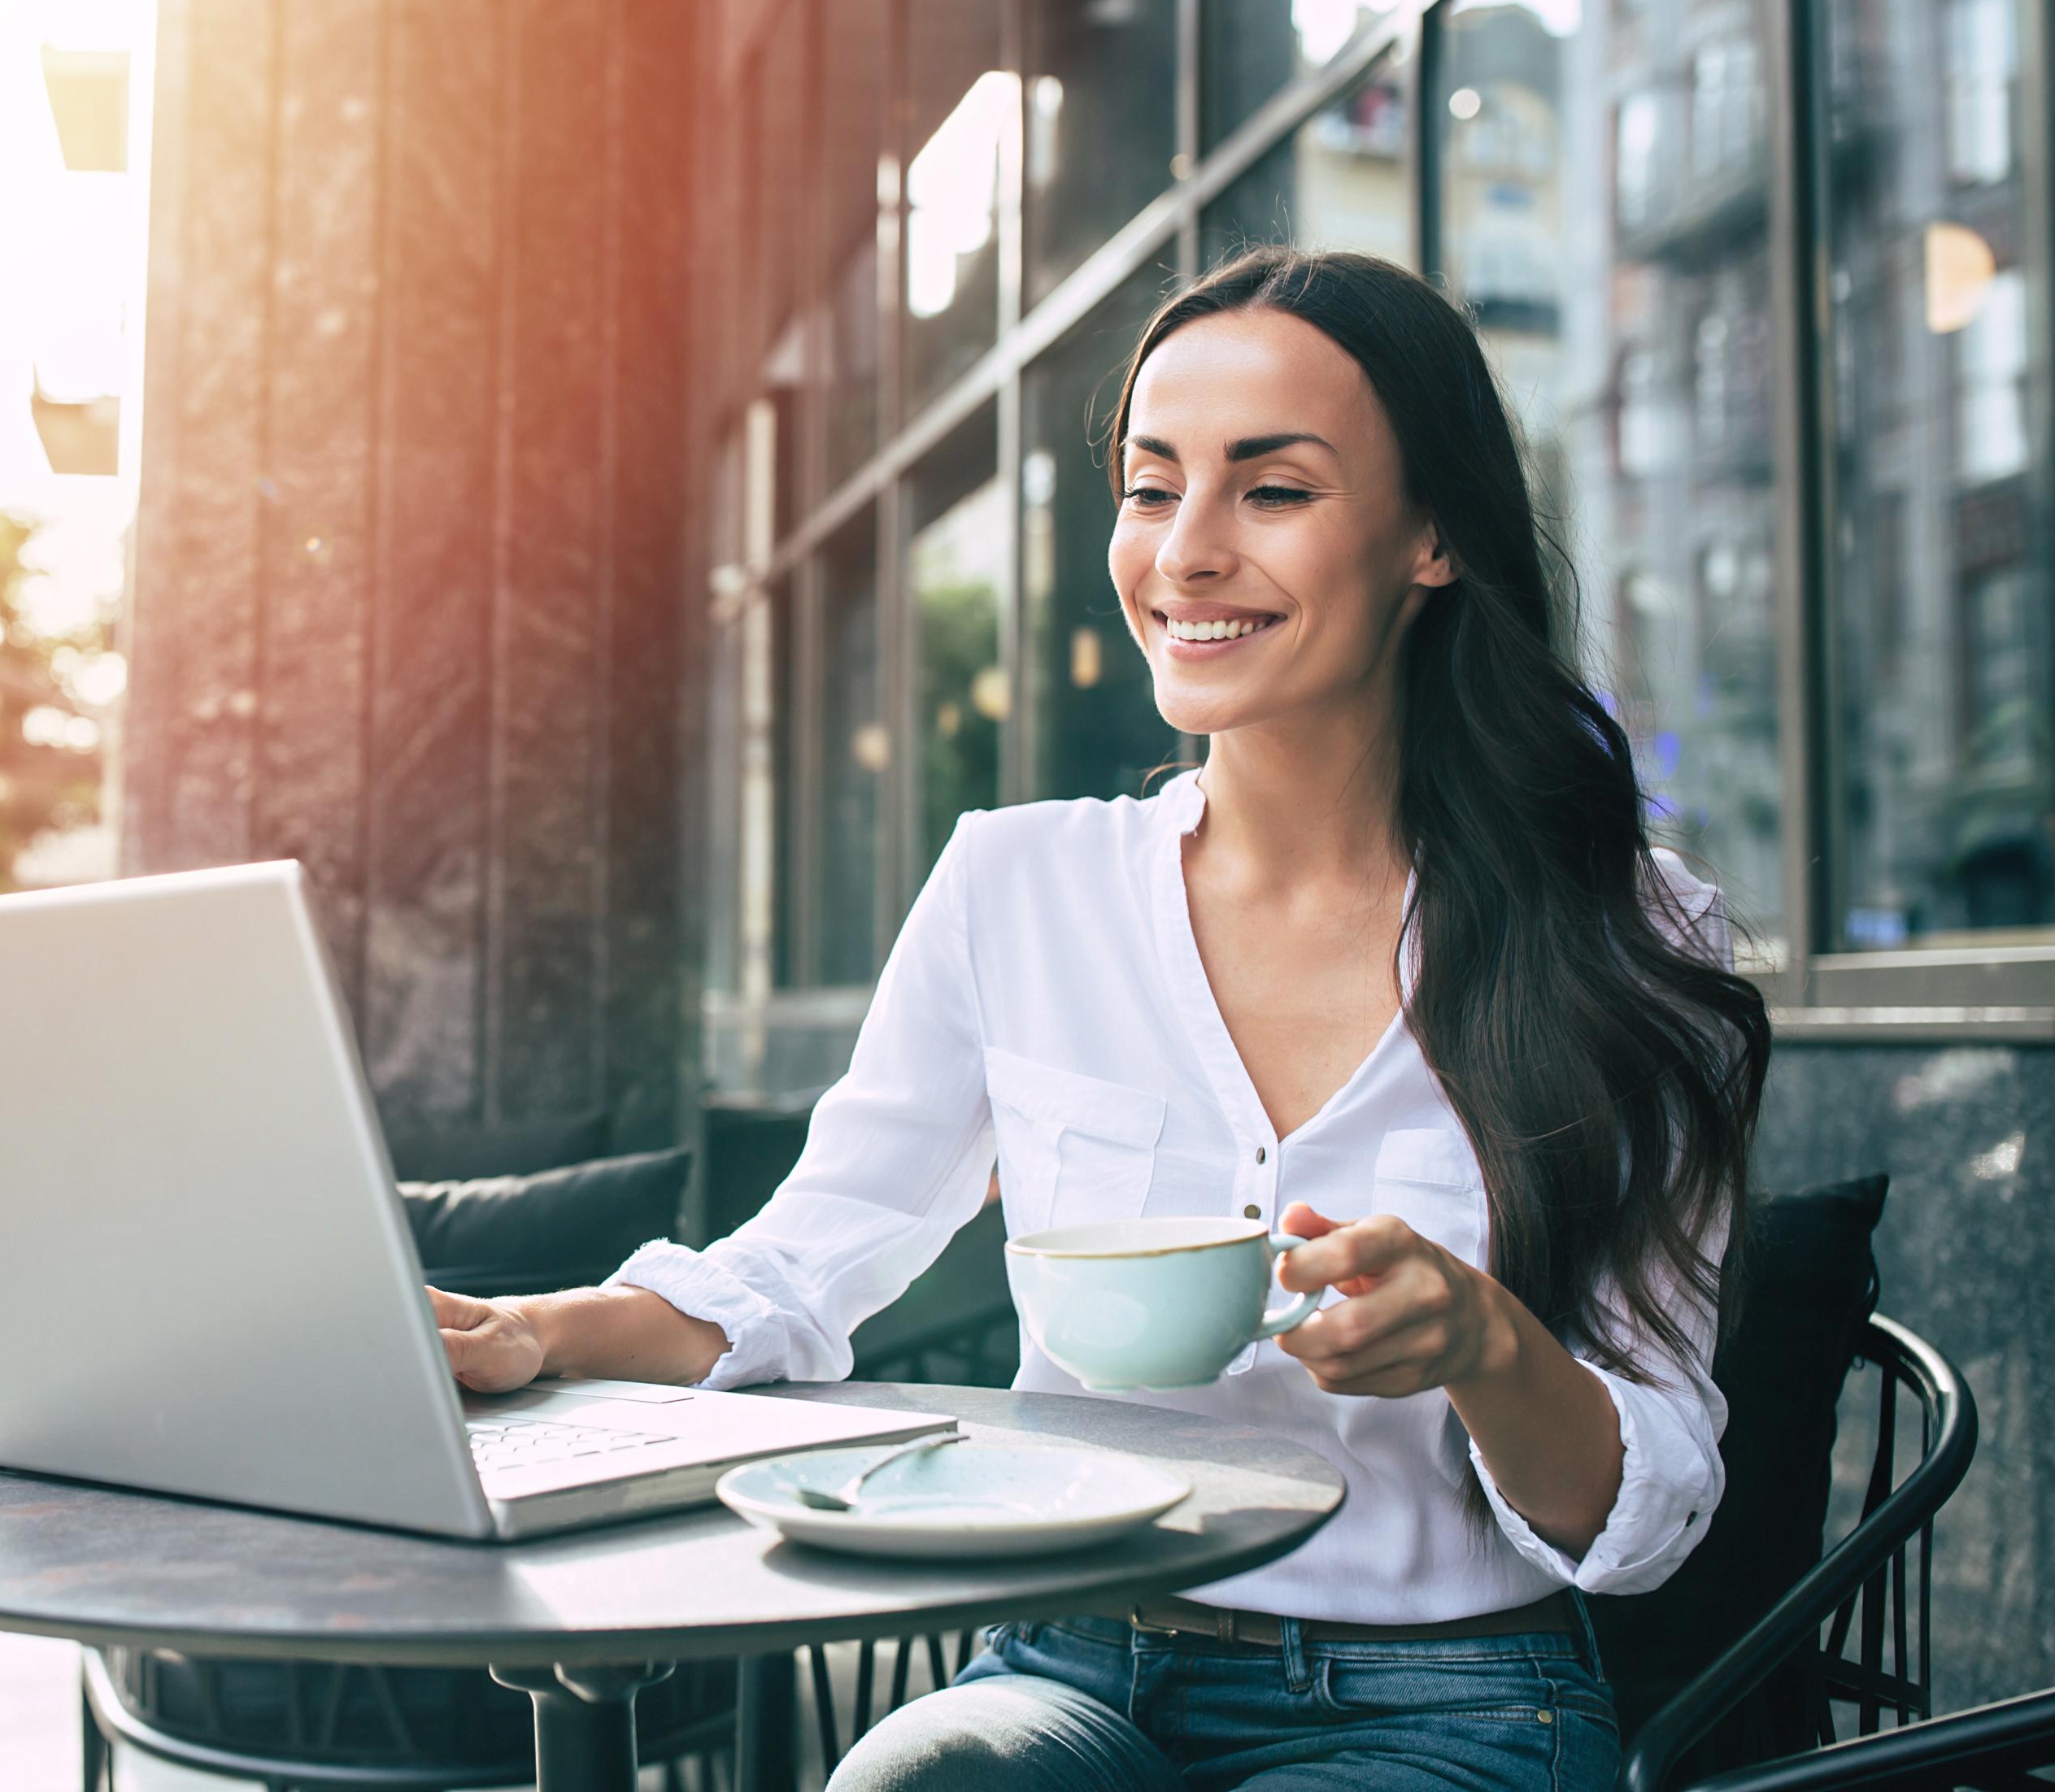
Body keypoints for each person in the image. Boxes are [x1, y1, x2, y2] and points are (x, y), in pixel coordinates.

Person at [428, 249, 1768, 1791]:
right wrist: (532, 1329)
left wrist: (1483, 1341)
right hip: (1061, 1663)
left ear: (1432, 538)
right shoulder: (1018, 887)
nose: (1186, 554)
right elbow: (797, 1270)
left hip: (1447, 1702)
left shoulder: (1628, 935)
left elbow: (1651, 1511)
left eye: (1272, 492)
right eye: (1151, 487)